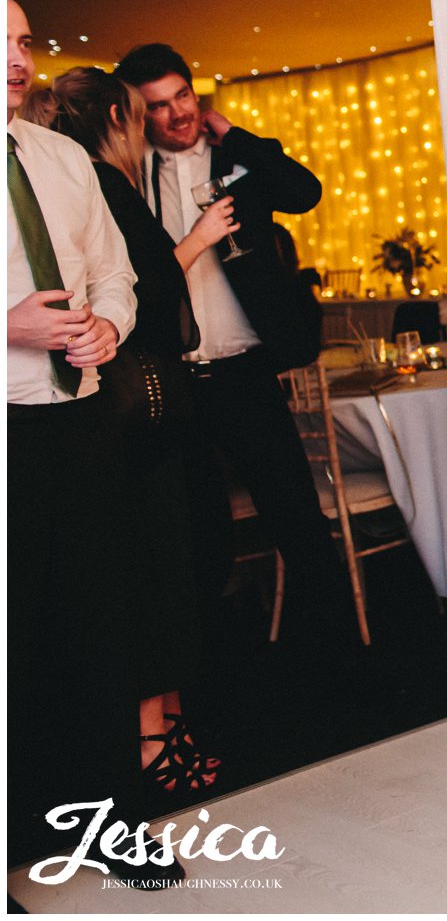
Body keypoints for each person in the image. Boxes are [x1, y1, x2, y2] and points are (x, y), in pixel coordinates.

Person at [8, 1, 181, 886]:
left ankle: (107, 818)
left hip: (79, 419)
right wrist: (7, 325)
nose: (17, 59)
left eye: (24, 41)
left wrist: (110, 323)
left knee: (98, 621)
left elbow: (115, 269)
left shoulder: (62, 156)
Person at [113, 41, 345, 641]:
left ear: (197, 93)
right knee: (197, 530)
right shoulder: (128, 181)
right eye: (158, 106)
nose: (176, 113)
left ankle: (339, 650)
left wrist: (236, 134)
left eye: (183, 96)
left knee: (295, 512)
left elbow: (305, 192)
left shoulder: (238, 162)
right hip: (174, 376)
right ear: (140, 114)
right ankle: (211, 665)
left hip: (244, 371)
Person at [42, 67, 229, 801]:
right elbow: (150, 301)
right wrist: (196, 240)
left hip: (129, 412)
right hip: (138, 410)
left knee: (161, 567)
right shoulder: (101, 182)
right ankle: (154, 738)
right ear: (120, 116)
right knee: (154, 570)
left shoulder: (77, 178)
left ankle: (165, 725)